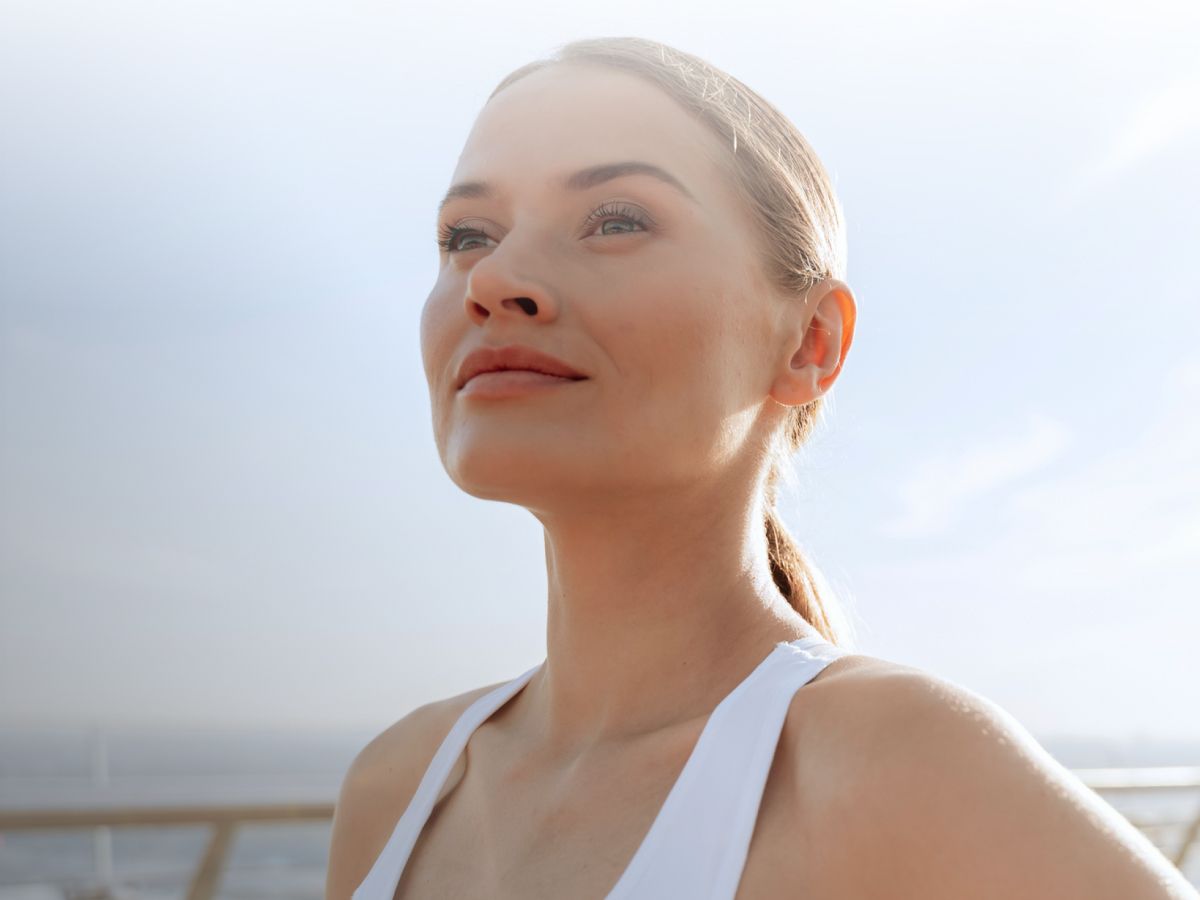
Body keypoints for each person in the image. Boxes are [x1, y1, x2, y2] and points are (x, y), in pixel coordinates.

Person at [326, 36, 1196, 900]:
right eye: (465, 234)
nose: (495, 277)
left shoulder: (894, 766)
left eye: (617, 219)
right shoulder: (398, 789)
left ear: (811, 341)